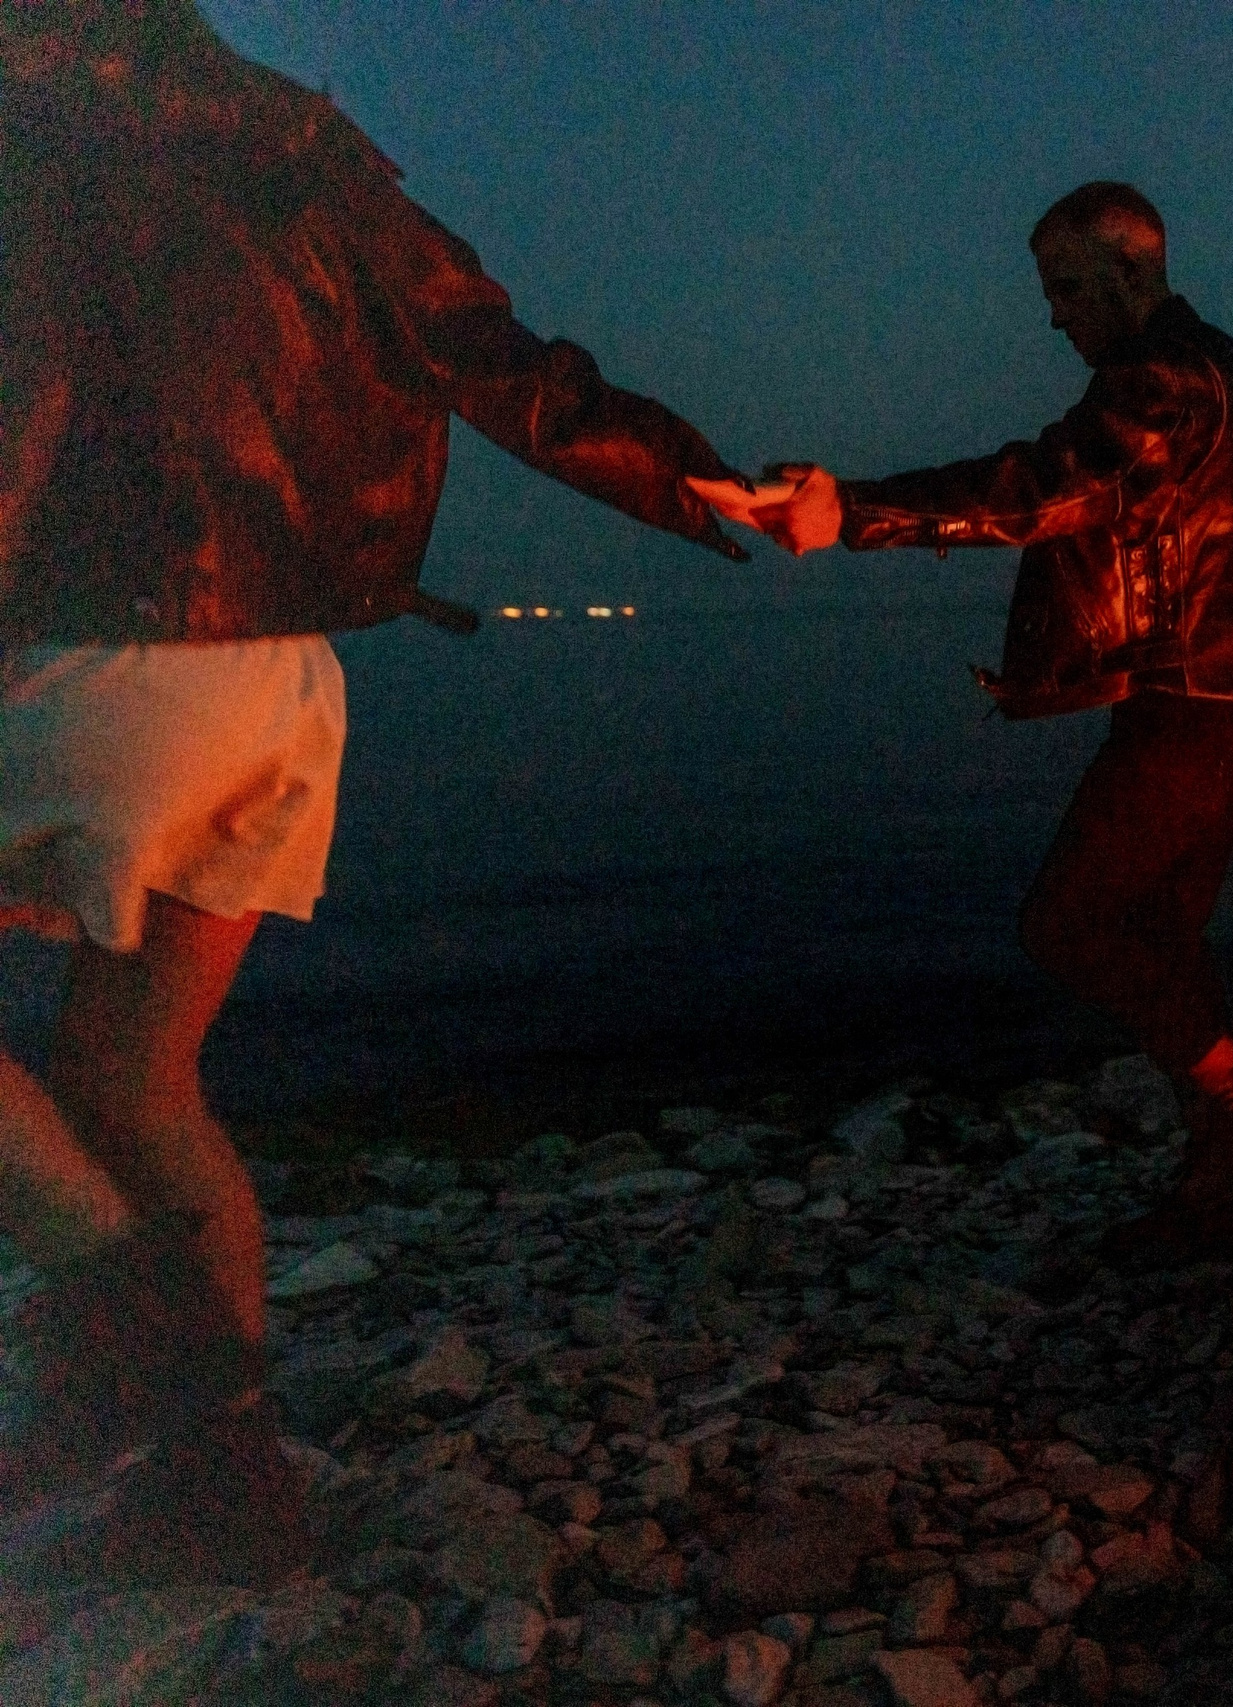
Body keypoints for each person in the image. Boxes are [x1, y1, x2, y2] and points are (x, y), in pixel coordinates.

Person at [0, 0, 749, 1586]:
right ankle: (225, 1493)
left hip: (91, 651)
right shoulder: (310, 154)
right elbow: (507, 366)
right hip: (282, 691)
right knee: (138, 1075)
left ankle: (140, 1340)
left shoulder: (36, 131)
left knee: (112, 1098)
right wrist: (691, 479)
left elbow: (20, 418)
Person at [699, 181, 1233, 1266]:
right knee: (1158, 939)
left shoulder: (1165, 378)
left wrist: (858, 514)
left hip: (1200, 699)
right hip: (1229, 694)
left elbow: (1041, 489)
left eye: (1070, 287)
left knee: (1068, 923)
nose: (1055, 315)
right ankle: (1227, 1183)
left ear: (1135, 269)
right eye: (1049, 292)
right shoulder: (1224, 365)